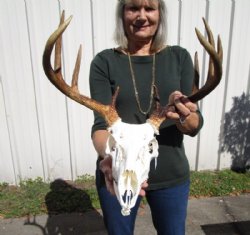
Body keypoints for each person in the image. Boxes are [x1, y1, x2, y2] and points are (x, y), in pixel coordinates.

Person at [89, 0, 203, 234]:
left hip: (170, 174)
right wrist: (110, 159)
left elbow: (194, 124)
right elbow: (101, 127)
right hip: (120, 172)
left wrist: (183, 115)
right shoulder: (105, 62)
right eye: (133, 8)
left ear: (160, 14)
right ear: (122, 14)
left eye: (149, 8)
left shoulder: (178, 58)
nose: (141, 16)